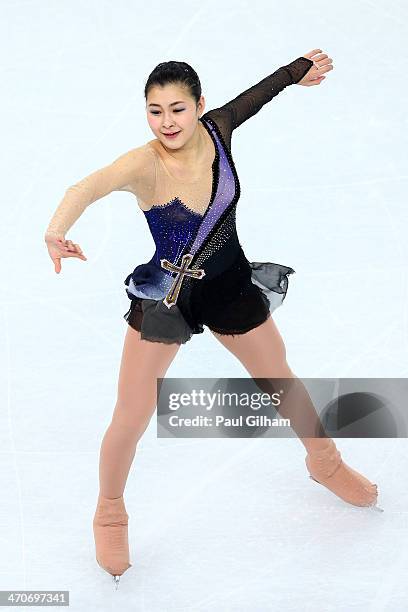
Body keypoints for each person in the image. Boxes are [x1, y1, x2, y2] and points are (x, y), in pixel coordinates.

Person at [44, 49, 380, 588]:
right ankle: (109, 510)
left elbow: (260, 93)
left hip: (230, 289)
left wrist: (299, 69)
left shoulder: (219, 130)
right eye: (154, 111)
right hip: (168, 297)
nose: (167, 122)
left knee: (281, 380)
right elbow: (84, 188)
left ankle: (326, 463)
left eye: (177, 108)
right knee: (130, 413)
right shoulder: (143, 162)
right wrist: (54, 231)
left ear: (200, 105)